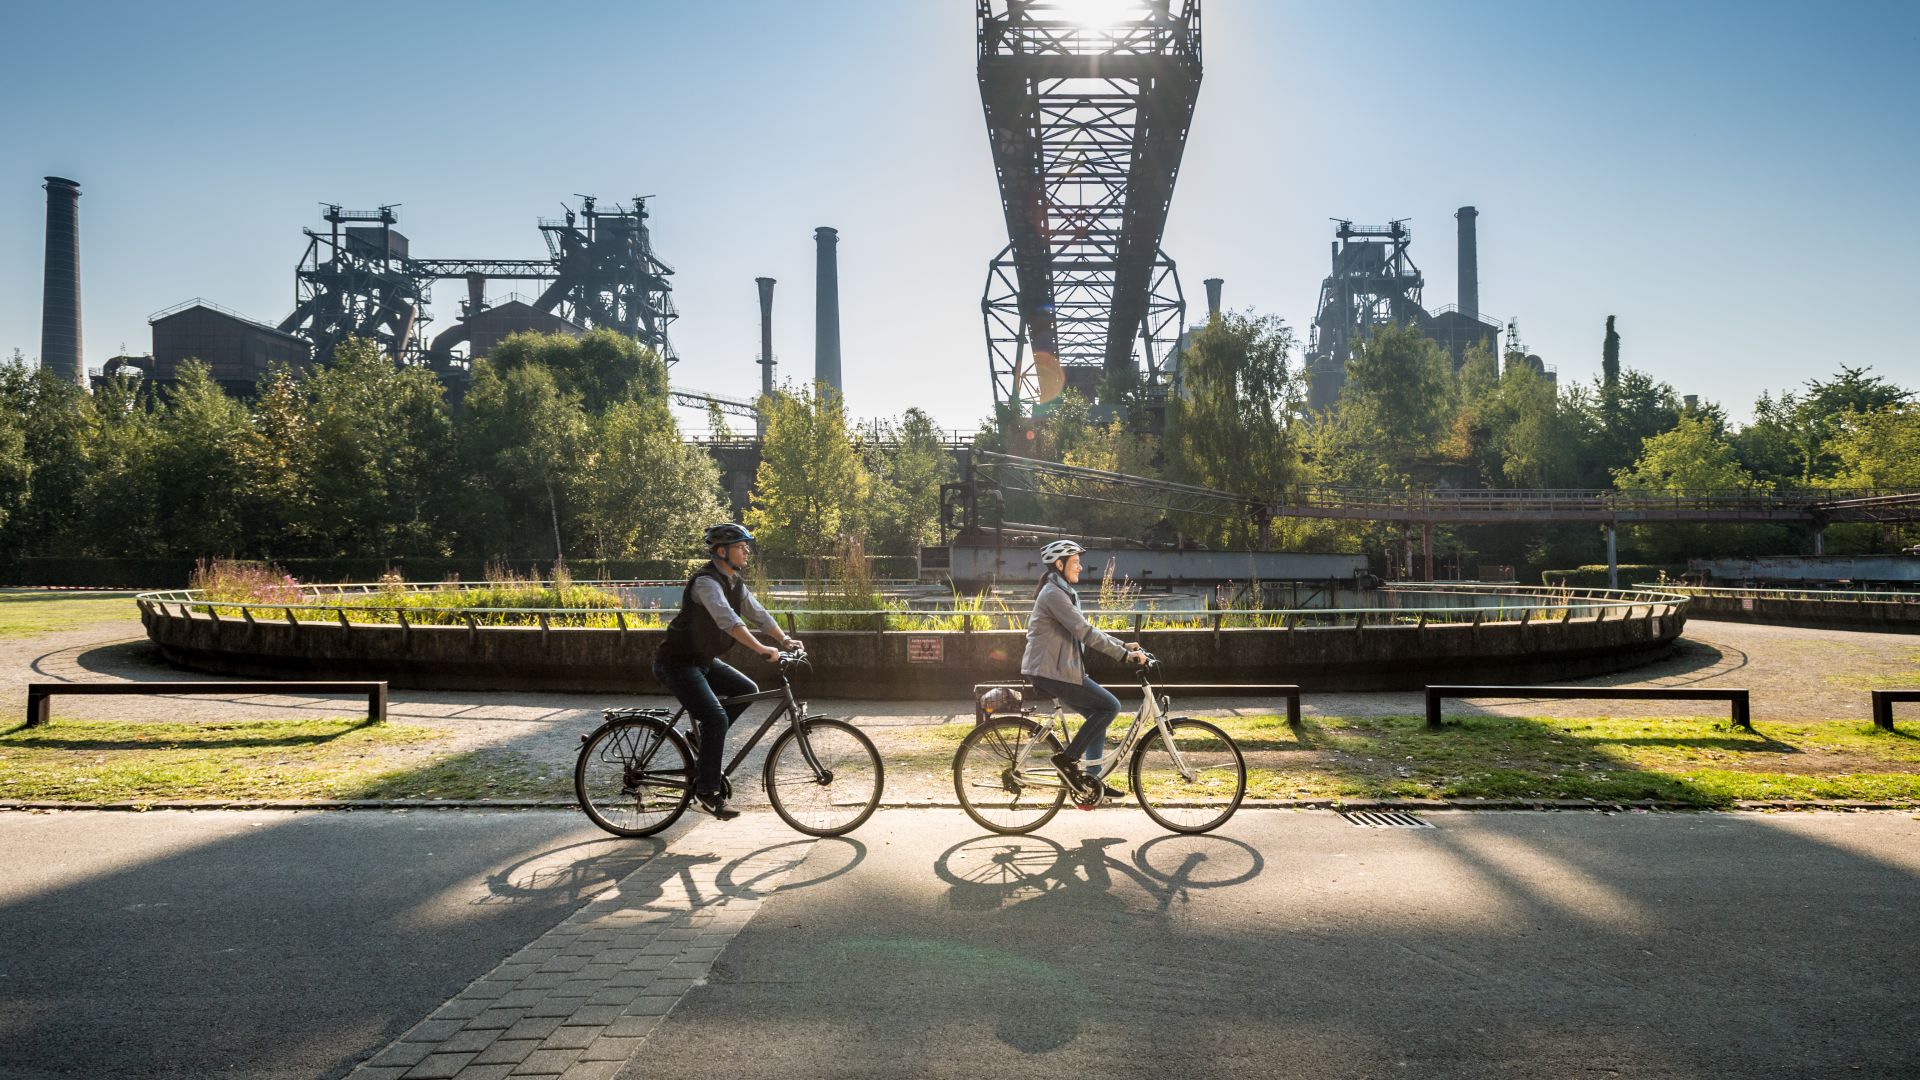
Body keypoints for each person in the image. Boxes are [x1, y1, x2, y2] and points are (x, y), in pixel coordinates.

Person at [652, 522, 803, 819]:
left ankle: (701, 740)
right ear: (722, 551)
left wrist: (784, 640)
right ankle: (707, 792)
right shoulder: (706, 583)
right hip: (678, 663)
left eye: (746, 545)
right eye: (740, 546)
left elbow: (758, 615)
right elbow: (729, 621)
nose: (747, 550)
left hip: (702, 660)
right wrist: (761, 649)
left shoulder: (735, 582)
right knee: (716, 717)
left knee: (747, 690)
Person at [1021, 539, 1149, 801]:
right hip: (1051, 671)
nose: (1080, 567)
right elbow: (1085, 632)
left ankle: (1093, 781)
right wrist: (1124, 655)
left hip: (1060, 669)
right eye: (1075, 562)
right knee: (1110, 706)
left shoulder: (1062, 590)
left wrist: (1123, 644)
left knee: (1097, 715)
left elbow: (1086, 628)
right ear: (1059, 564)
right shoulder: (1053, 594)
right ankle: (1067, 760)